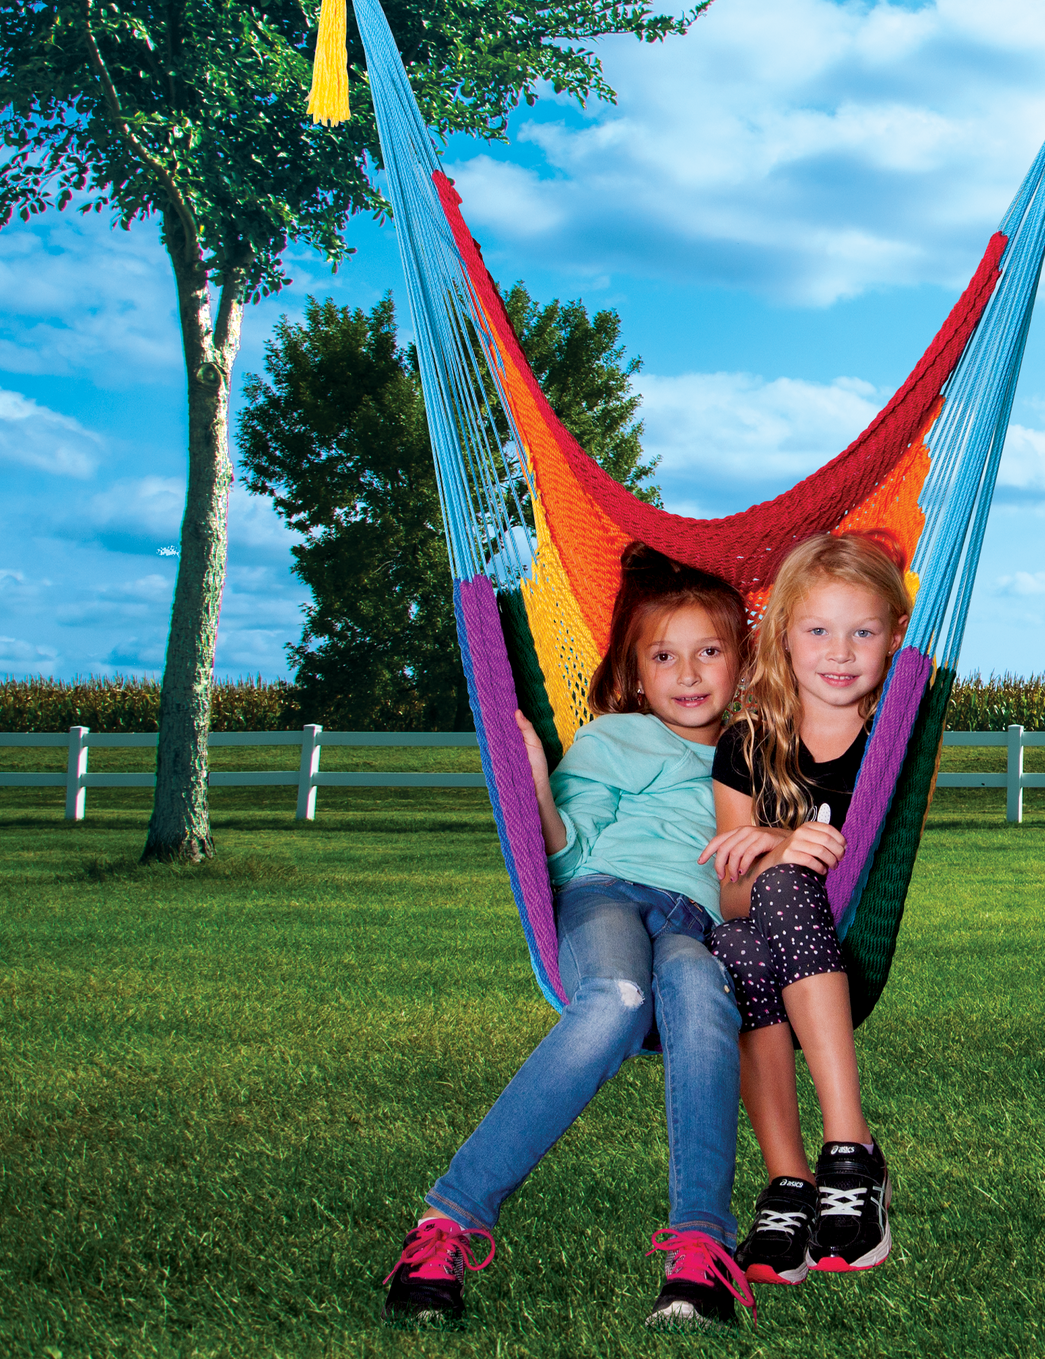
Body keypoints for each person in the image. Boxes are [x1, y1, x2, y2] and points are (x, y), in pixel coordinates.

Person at [382, 543, 757, 1329]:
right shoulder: (612, 737)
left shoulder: (758, 751)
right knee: (617, 997)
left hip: (696, 921)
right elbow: (568, 851)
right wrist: (532, 778)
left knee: (697, 987)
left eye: (709, 652)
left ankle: (700, 1255)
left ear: (741, 661)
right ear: (636, 668)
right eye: (665, 656)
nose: (688, 675)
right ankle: (444, 1226)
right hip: (604, 898)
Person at [699, 530, 912, 1287]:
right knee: (732, 939)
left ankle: (851, 1152)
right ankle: (790, 1185)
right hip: (768, 950)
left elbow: (868, 853)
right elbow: (731, 887)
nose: (841, 651)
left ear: (894, 638)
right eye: (818, 630)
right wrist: (778, 848)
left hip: (844, 949)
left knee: (786, 884)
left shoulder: (894, 737)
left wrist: (781, 846)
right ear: (784, 637)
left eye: (863, 631)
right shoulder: (747, 744)